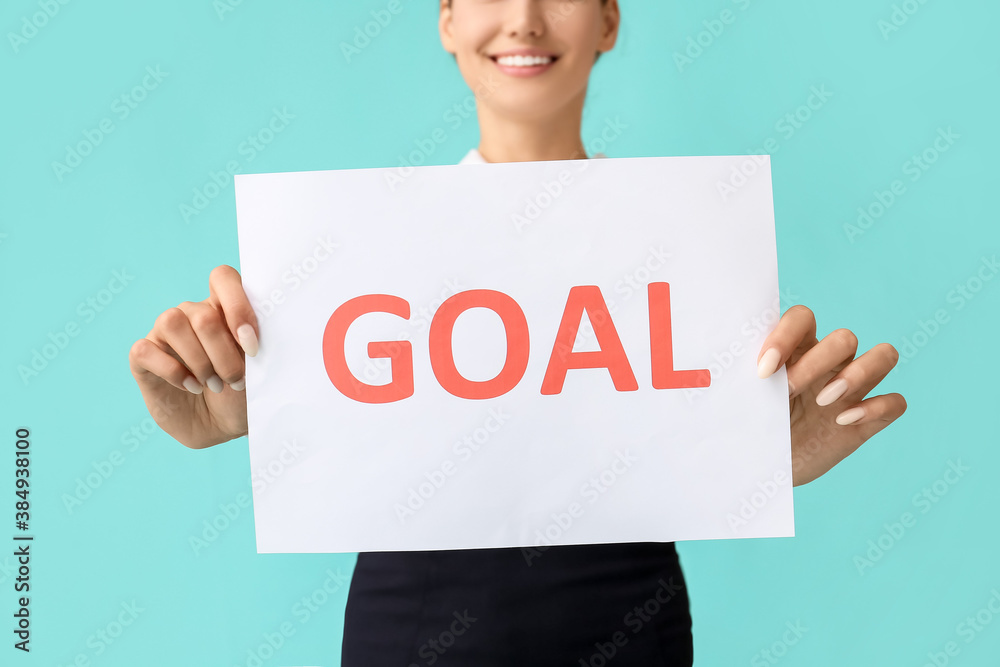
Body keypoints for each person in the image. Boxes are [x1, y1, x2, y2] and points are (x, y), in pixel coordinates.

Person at [128, 0, 907, 664]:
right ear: (446, 19)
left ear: (609, 18)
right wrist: (248, 405)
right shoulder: (353, 260)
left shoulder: (685, 252)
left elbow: (690, 451)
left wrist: (756, 452)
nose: (525, 19)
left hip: (631, 625)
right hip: (410, 632)